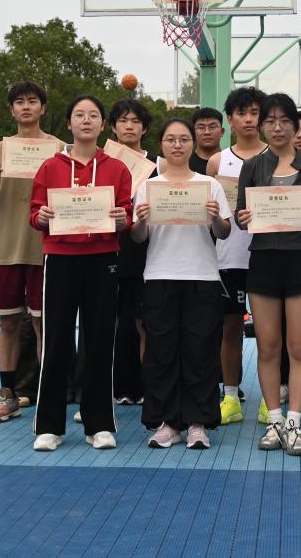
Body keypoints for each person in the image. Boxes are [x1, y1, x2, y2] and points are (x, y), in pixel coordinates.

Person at [29, 94, 132, 451]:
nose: (86, 120)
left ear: (103, 125)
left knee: (100, 340)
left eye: (93, 115)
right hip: (59, 258)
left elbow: (127, 214)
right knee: (56, 340)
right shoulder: (50, 167)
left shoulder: (117, 168)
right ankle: (49, 426)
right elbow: (35, 213)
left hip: (103, 258)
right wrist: (41, 217)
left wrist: (123, 219)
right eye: (79, 115)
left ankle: (99, 423)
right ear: (69, 123)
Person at [132, 118, 233, 449]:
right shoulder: (148, 187)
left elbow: (224, 232)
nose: (178, 145)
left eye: (184, 139)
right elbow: (138, 236)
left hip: (202, 276)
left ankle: (197, 423)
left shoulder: (209, 185)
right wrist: (141, 221)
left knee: (200, 351)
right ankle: (167, 423)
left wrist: (215, 217)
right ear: (161, 144)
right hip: (159, 275)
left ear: (192, 144)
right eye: (171, 139)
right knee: (161, 352)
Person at [236, 93, 301, 456]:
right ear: (262, 126)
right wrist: (243, 217)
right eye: (270, 121)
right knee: (268, 346)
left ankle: (293, 423)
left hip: (300, 260)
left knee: (300, 347)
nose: (277, 127)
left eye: (284, 120)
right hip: (263, 262)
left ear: (295, 125)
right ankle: (274, 420)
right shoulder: (252, 166)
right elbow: (242, 216)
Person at [0, 81, 64, 423]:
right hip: (6, 247)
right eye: (19, 101)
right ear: (12, 109)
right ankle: (8, 395)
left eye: (32, 101)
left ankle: (47, 398)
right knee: (9, 324)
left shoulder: (60, 149)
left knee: (44, 325)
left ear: (43, 108)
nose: (26, 107)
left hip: (46, 247)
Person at [207, 86, 269, 425]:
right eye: (241, 113)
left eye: (255, 113)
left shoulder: (277, 156)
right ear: (229, 120)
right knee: (230, 327)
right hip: (228, 257)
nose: (248, 119)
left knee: (270, 332)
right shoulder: (218, 161)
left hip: (267, 255)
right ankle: (230, 395)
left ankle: (272, 397)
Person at [110, 99, 157, 406]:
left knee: (145, 323)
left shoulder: (156, 166)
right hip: (109, 251)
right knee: (116, 321)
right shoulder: (102, 162)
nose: (129, 126)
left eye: (135, 121)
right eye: (123, 121)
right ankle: (116, 385)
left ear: (144, 128)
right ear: (113, 127)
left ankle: (145, 386)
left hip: (148, 253)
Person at [191, 107, 225, 175]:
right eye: (201, 127)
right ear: (193, 133)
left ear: (222, 132)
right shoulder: (184, 164)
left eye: (212, 127)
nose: (207, 132)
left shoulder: (231, 161)